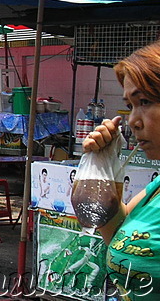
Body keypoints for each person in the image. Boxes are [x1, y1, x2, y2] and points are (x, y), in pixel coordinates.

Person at [83, 41, 160, 299]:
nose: (132, 121)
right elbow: (117, 234)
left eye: (145, 101)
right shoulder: (156, 189)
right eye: (130, 106)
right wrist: (103, 166)